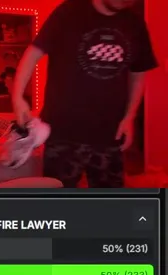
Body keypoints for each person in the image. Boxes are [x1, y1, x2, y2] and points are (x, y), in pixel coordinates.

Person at [13, 0, 158, 188]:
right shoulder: (69, 11)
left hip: (110, 134)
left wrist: (130, 116)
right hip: (63, 132)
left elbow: (138, 72)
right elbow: (33, 53)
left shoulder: (135, 23)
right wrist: (17, 96)